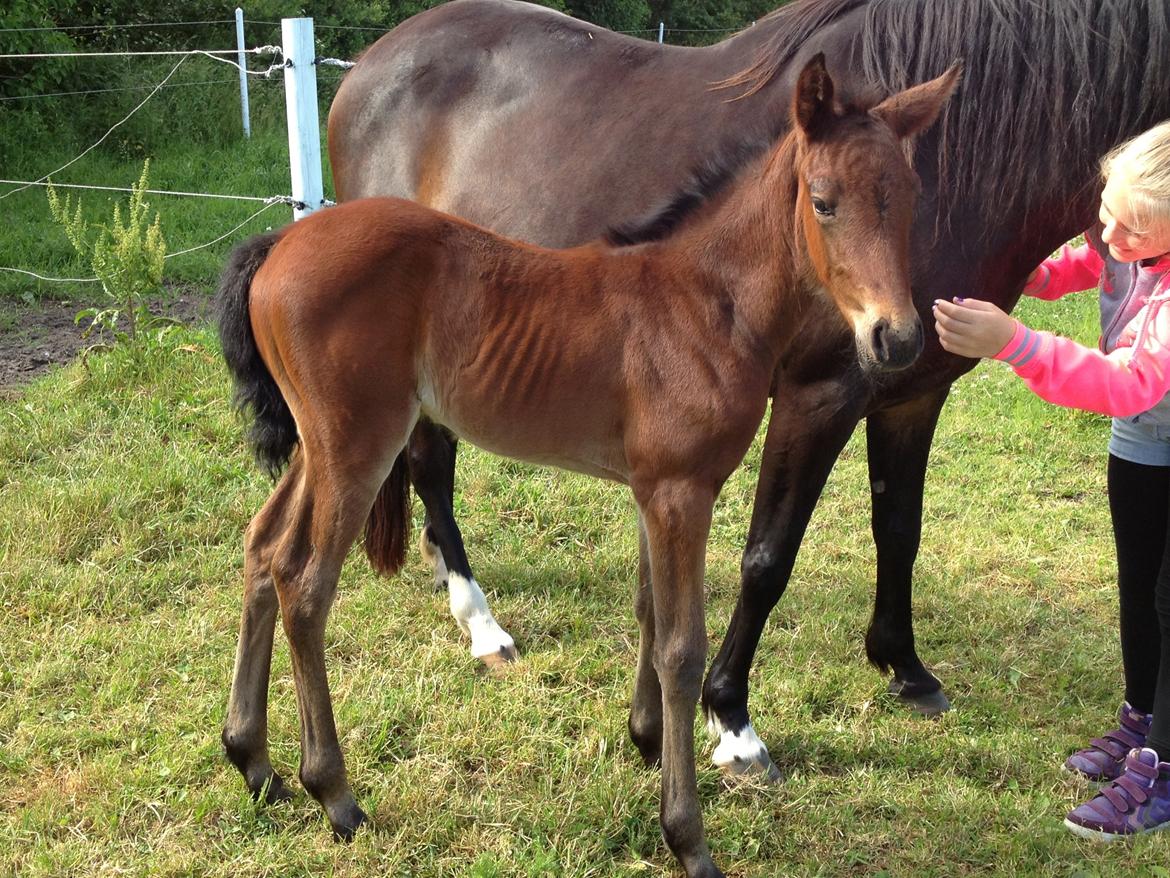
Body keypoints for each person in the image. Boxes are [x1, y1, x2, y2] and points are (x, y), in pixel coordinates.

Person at [932, 119, 1170, 841]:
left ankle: (1163, 770)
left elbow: (1133, 381)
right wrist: (1011, 264)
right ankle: (1140, 719)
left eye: (1132, 231)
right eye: (1107, 214)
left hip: (1150, 409)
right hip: (1145, 439)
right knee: (1139, 588)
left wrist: (1018, 343)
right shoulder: (1122, 236)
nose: (1111, 238)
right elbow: (1070, 267)